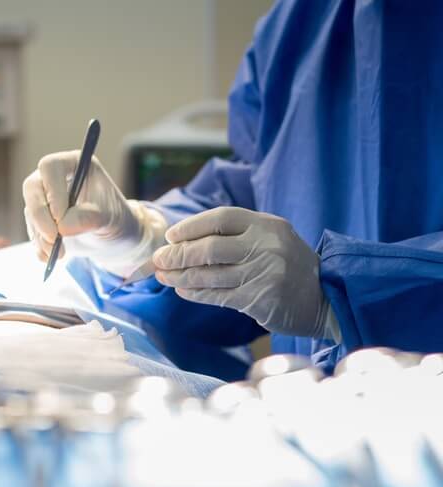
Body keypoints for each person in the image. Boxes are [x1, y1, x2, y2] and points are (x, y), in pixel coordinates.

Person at [24, 0, 443, 380]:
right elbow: (265, 194)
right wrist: (142, 234)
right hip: (319, 425)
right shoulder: (297, 25)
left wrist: (345, 298)